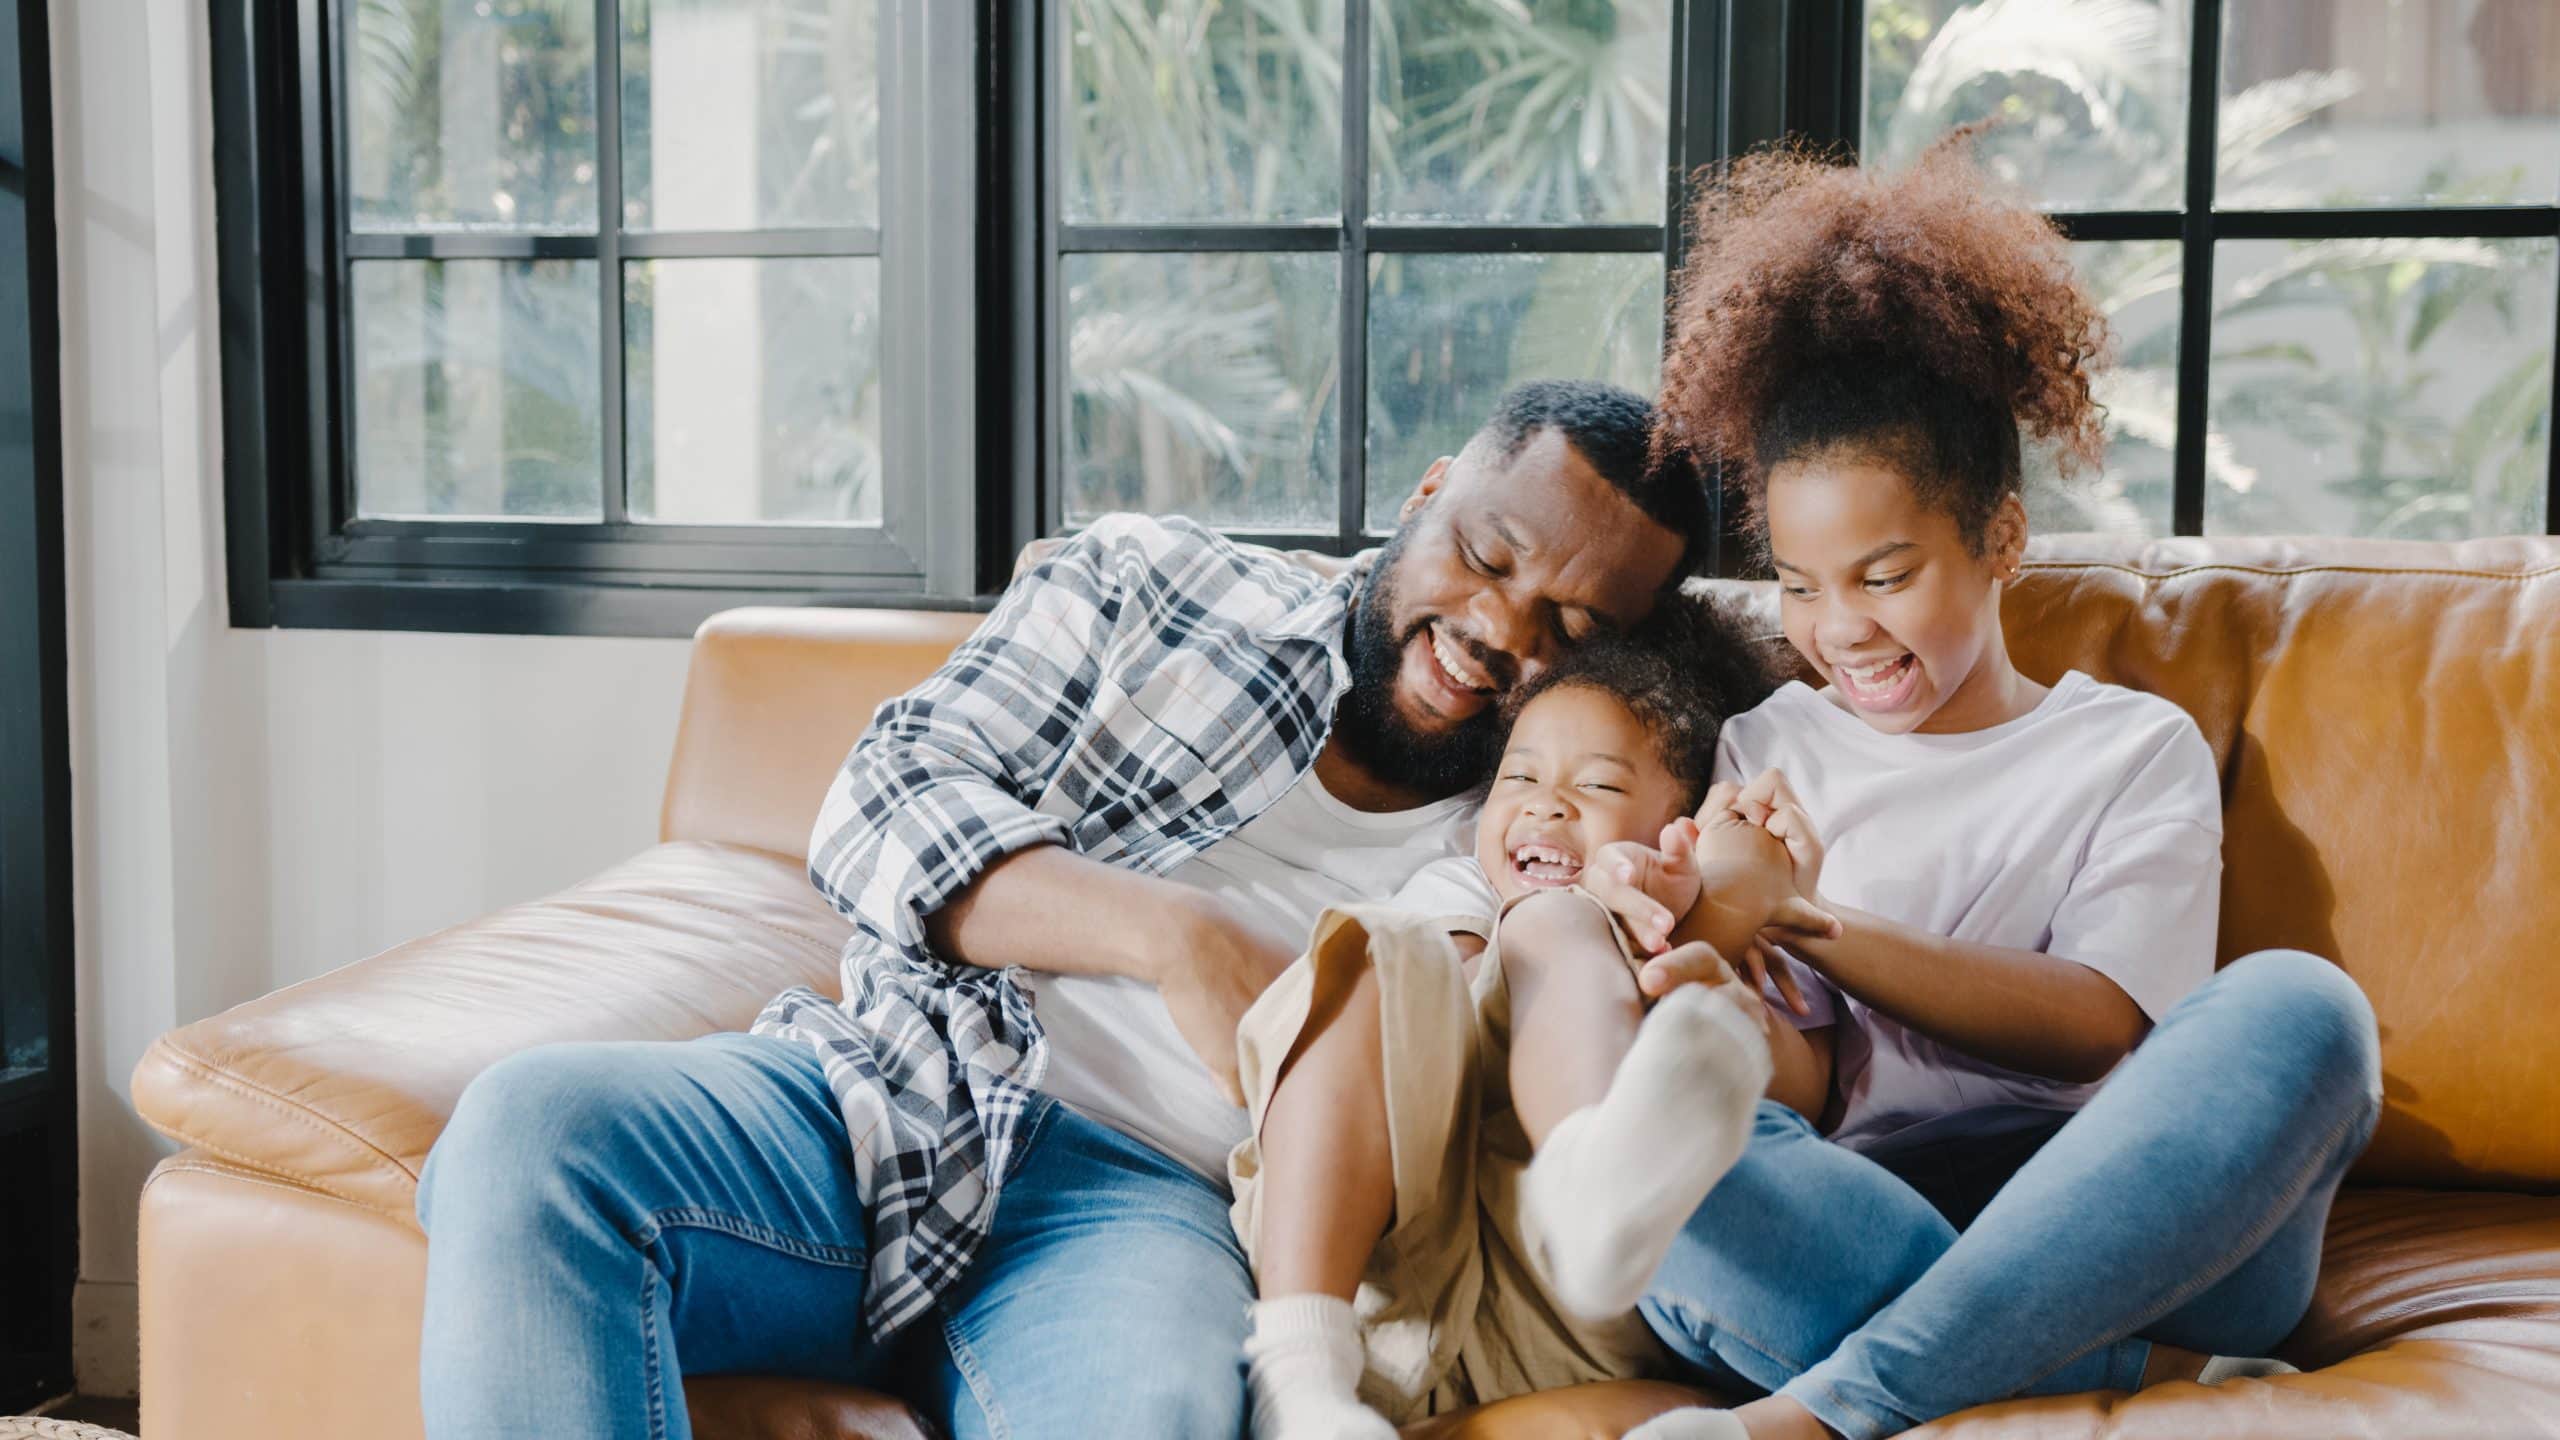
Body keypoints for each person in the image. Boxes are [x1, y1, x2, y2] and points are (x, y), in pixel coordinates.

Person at [411, 381, 1721, 1440]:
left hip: (1152, 1211)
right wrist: (1174, 938)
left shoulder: (1544, 826)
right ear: (1428, 492)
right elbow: (882, 800)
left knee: (1141, 1420)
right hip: (892, 1091)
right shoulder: (1156, 585)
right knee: (531, 1132)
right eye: (1485, 556)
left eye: (1568, 627)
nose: (1495, 629)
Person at [1584, 137, 2384, 1440]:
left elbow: (2096, 1028)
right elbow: (1804, 1086)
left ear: (2000, 538)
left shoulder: (2130, 750)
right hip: (1876, 1208)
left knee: (2304, 1010)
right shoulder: (1771, 744)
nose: (1839, 629)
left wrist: (1805, 917)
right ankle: (2121, 1371)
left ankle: (1829, 1407)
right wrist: (1700, 958)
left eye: (1886, 576)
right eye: (1799, 585)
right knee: (1660, 1151)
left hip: (2136, 1212)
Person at [1231, 610, 1840, 1439]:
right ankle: (1296, 1382)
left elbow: (1803, 1100)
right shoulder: (1465, 891)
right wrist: (1593, 920)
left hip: (1560, 1317)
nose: (1546, 806)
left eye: (1600, 787)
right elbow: (1431, 1021)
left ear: (1683, 826)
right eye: (1518, 778)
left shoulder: (1730, 938)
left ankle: (1599, 1189)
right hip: (1381, 1261)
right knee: (1383, 950)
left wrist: (1709, 939)